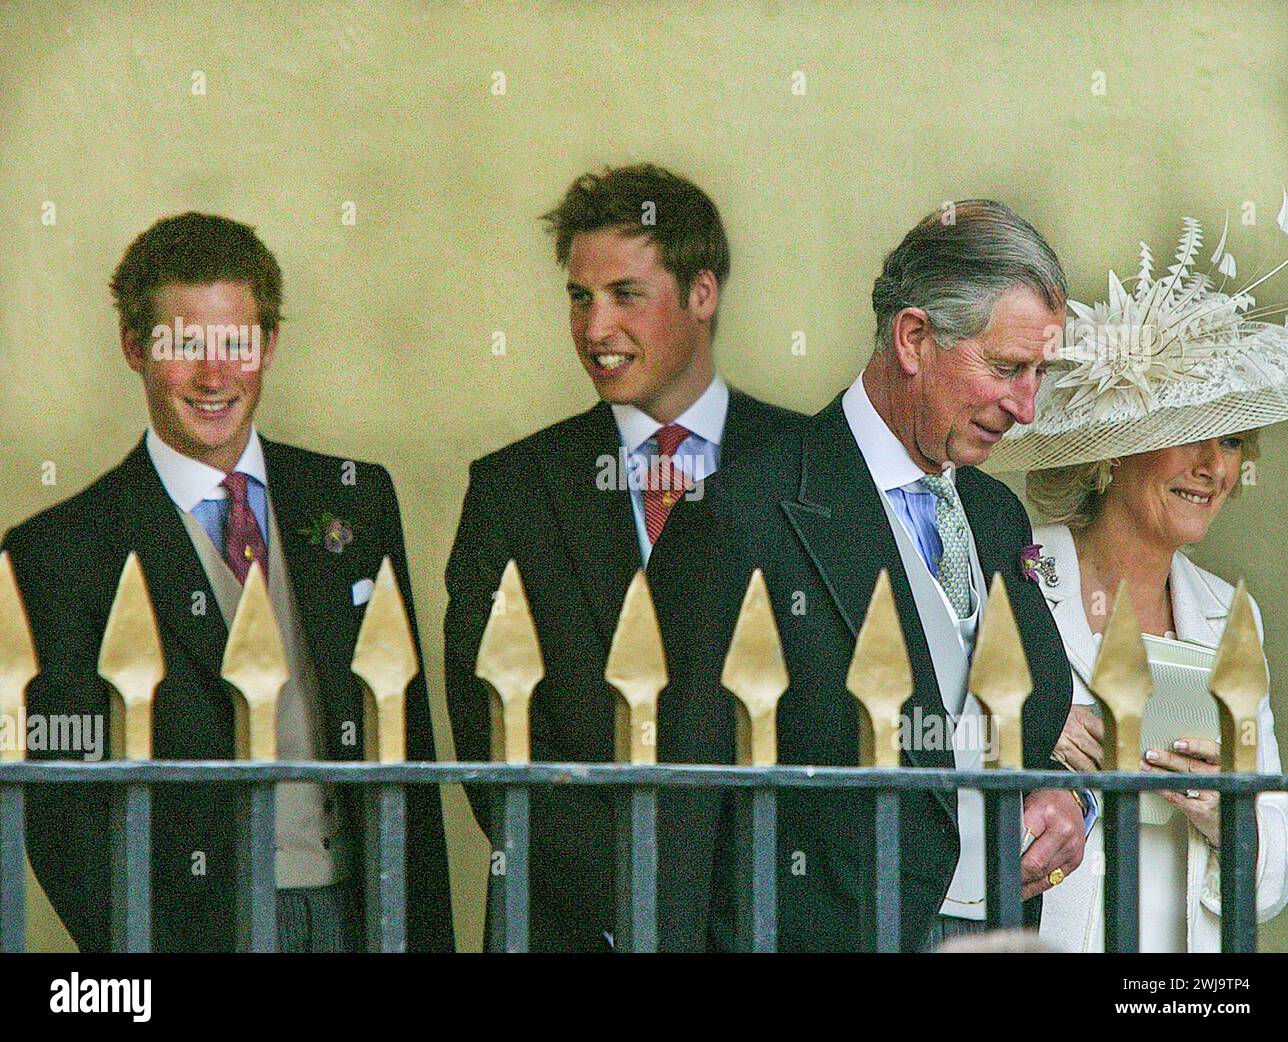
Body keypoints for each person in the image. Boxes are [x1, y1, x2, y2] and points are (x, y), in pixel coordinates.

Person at [2, 212, 454, 952]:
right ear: (133, 348)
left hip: (363, 915)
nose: (214, 376)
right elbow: (61, 813)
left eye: (236, 344)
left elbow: (408, 738)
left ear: (269, 345)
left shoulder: (355, 500)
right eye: (183, 345)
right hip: (190, 929)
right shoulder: (58, 551)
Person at [646, 200, 1089, 952]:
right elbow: (676, 818)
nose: (1025, 405)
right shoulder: (741, 515)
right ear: (914, 338)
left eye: (1039, 373)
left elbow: (1013, 726)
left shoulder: (995, 517)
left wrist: (1063, 792)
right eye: (1008, 368)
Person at [443, 163, 804, 951]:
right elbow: (492, 731)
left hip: (776, 914)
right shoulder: (512, 488)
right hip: (574, 928)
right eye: (580, 298)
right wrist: (634, 894)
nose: (595, 329)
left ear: (702, 293)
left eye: (625, 295)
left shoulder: (807, 465)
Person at [987, 218, 1288, 951]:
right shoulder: (1015, 567)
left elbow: (1280, 871)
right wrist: (1024, 728)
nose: (1212, 466)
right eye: (1186, 430)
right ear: (1115, 451)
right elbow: (899, 741)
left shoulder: (1228, 617)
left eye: (1229, 440)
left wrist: (1231, 813)